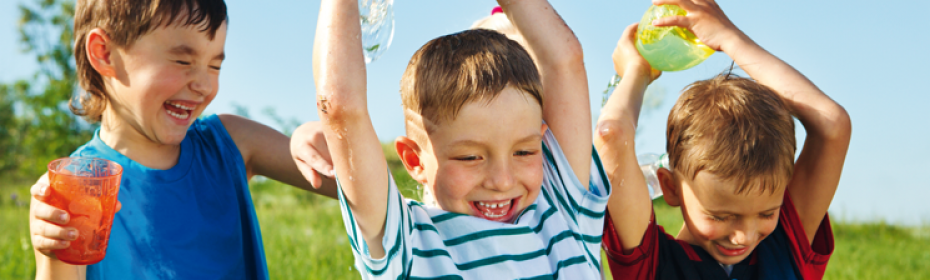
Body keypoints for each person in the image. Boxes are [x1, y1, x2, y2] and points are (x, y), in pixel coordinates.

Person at [27, 0, 337, 279]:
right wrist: (56, 253)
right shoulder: (75, 190)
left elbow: (355, 187)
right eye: (182, 61)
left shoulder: (234, 144)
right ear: (104, 54)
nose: (204, 85)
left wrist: (315, 141)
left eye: (215, 65)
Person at [310, 0, 609, 278]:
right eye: (470, 157)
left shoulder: (562, 208)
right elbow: (340, 108)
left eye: (525, 152)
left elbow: (564, 61)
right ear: (415, 160)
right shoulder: (409, 243)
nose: (503, 181)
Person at [595, 0, 851, 279]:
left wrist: (728, 37)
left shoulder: (786, 245)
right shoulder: (653, 265)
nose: (744, 237)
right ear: (670, 188)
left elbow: (832, 125)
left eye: (766, 214)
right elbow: (612, 136)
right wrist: (637, 70)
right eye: (720, 216)